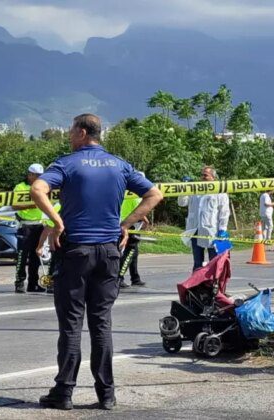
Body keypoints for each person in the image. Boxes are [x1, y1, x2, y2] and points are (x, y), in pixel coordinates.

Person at [30, 113, 163, 411]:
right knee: (101, 323)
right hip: (108, 250)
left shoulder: (66, 163)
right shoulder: (119, 164)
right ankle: (107, 394)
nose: (68, 135)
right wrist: (126, 224)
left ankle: (63, 392)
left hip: (76, 251)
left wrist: (56, 220)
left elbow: (38, 189)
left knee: (71, 324)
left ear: (81, 131)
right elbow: (155, 194)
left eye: (70, 130)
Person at [178, 166, 230, 271]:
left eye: (205, 175)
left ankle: (214, 284)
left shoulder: (219, 191)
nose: (202, 177)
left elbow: (224, 212)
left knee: (214, 260)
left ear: (213, 177)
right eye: (202, 174)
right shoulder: (196, 189)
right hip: (195, 230)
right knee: (198, 262)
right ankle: (196, 285)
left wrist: (222, 229)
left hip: (212, 231)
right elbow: (182, 203)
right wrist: (184, 188)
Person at [12, 163, 46, 293]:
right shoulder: (20, 187)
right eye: (36, 176)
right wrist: (30, 206)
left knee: (36, 257)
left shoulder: (42, 187)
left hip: (39, 225)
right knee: (22, 256)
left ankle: (33, 283)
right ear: (29, 175)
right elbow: (14, 206)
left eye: (40, 176)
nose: (38, 178)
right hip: (25, 226)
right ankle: (19, 282)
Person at [118, 183, 149, 288]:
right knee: (130, 252)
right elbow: (139, 210)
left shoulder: (125, 192)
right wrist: (146, 221)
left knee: (133, 253)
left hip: (123, 223)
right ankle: (119, 277)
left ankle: (135, 278)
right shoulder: (135, 195)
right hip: (132, 225)